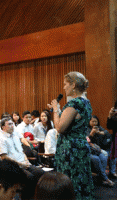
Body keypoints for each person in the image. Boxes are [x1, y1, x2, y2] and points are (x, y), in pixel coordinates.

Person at [48, 71, 94, 199]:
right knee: (81, 180)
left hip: (70, 149)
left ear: (73, 85)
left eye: (65, 84)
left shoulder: (74, 103)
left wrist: (56, 110)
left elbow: (60, 127)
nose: (64, 87)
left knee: (69, 182)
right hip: (80, 146)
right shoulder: (85, 102)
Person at [0, 118, 44, 184]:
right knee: (30, 177)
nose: (12, 126)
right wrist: (21, 164)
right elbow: (4, 158)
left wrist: (27, 161)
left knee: (41, 173)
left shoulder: (15, 137)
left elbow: (21, 152)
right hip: (13, 167)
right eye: (9, 124)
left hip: (23, 164)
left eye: (12, 124)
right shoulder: (1, 140)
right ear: (3, 127)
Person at [106, 103, 117, 179]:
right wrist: (110, 115)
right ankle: (112, 172)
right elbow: (109, 127)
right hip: (116, 136)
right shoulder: (115, 115)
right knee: (114, 155)